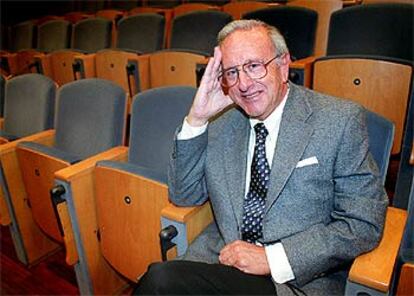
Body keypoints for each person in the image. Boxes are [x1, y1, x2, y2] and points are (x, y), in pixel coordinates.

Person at [134, 20, 388, 295]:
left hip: (297, 280)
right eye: (232, 72)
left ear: (283, 65)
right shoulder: (221, 123)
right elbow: (184, 195)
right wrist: (197, 119)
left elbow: (363, 223)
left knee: (159, 282)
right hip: (221, 262)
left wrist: (272, 258)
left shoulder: (339, 121)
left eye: (254, 66)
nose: (243, 84)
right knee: (158, 279)